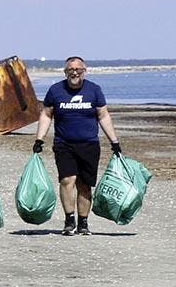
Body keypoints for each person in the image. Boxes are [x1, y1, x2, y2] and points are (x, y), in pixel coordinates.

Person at [33, 56, 121, 237]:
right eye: (70, 70)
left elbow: (103, 116)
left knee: (84, 185)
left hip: (89, 145)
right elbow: (46, 115)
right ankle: (69, 220)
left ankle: (83, 223)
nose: (74, 72)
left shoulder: (94, 90)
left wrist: (114, 142)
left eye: (78, 70)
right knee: (67, 180)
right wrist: (39, 139)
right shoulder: (55, 90)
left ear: (84, 71)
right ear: (65, 72)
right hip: (64, 144)